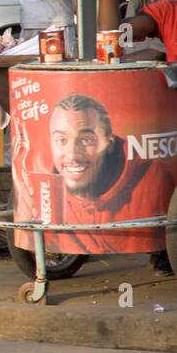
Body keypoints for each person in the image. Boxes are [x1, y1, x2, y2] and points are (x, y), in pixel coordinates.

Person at [36, 93, 174, 266]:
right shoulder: (43, 187)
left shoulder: (151, 179)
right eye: (61, 140)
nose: (72, 155)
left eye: (87, 140)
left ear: (109, 141)